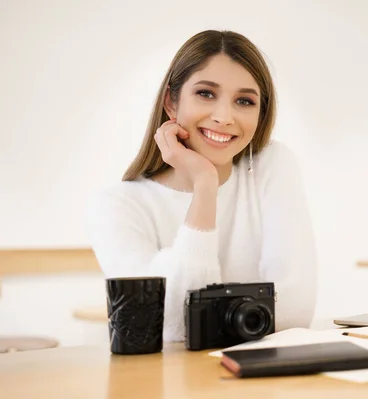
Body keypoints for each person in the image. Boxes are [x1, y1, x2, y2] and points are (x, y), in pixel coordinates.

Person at [86, 30, 318, 342]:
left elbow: (293, 312)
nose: (224, 116)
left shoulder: (272, 165)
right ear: (171, 102)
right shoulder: (117, 206)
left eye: (244, 101)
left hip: (261, 381)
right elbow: (168, 329)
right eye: (206, 94)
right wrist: (205, 186)